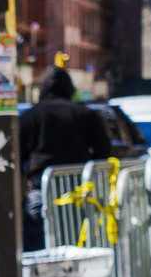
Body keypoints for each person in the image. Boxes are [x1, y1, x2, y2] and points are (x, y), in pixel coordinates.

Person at [19, 66, 111, 251]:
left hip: (41, 189)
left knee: (38, 242)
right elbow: (103, 150)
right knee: (77, 240)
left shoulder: (31, 116)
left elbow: (17, 155)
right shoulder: (85, 114)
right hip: (78, 189)